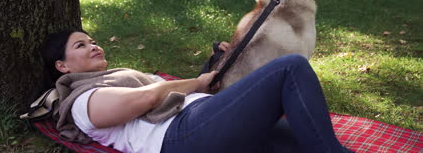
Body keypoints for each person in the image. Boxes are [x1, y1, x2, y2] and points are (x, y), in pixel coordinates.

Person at [40, 29, 354, 153]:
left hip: (198, 121)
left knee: (305, 137)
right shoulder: (81, 101)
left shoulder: (113, 77)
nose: (93, 46)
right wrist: (197, 83)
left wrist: (213, 66)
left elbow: (173, 95)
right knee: (291, 68)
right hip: (179, 136)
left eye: (92, 40)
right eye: (81, 45)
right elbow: (150, 98)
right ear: (63, 67)